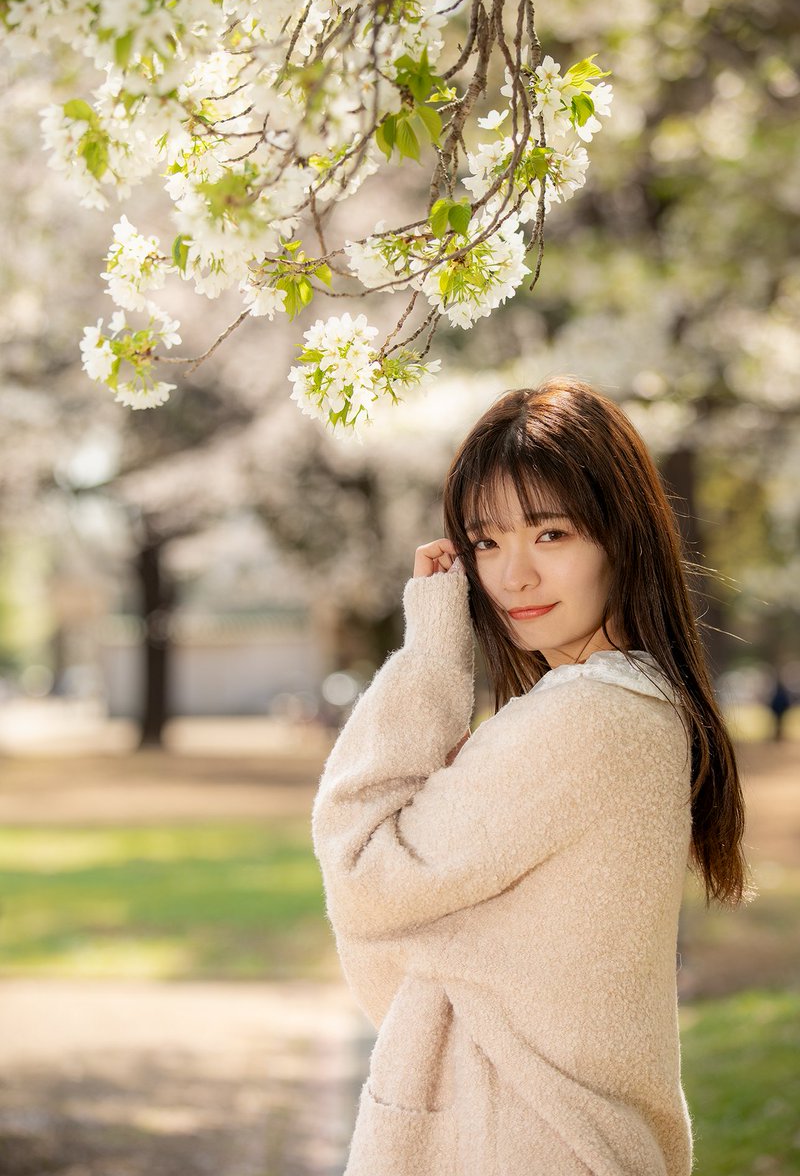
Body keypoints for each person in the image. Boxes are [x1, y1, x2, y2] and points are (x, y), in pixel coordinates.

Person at [311, 377, 755, 1176]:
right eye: (486, 541)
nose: (512, 576)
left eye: (550, 534)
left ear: (623, 537)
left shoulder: (581, 721)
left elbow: (359, 857)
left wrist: (434, 650)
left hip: (518, 1137)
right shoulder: (644, 707)